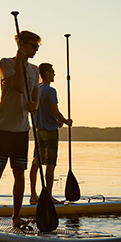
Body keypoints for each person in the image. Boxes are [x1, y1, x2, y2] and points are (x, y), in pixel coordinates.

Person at [0, 30, 41, 230]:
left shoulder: (35, 70)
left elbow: (34, 97)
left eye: (38, 47)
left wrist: (35, 105)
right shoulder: (6, 63)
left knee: (20, 174)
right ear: (22, 45)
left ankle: (16, 217)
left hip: (22, 130)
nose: (36, 50)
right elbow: (17, 87)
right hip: (4, 127)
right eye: (33, 46)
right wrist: (19, 60)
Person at [29, 63, 72, 205]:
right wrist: (66, 121)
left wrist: (56, 120)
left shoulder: (35, 90)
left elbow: (44, 112)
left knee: (36, 162)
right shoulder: (51, 91)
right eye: (52, 71)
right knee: (50, 164)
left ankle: (34, 195)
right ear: (47, 73)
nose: (54, 74)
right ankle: (48, 195)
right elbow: (54, 111)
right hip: (50, 132)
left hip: (38, 131)